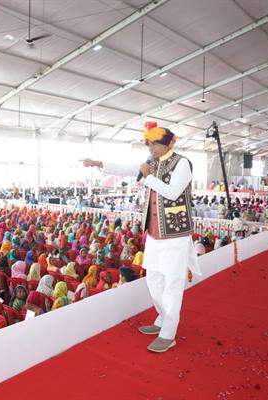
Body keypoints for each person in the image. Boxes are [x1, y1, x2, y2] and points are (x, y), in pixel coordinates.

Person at [83, 121, 200, 353]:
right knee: (153, 279)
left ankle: (169, 332)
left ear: (167, 144)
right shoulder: (152, 163)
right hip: (154, 234)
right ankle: (164, 318)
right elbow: (128, 168)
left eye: (154, 143)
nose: (150, 148)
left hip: (175, 234)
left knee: (172, 283)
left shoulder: (183, 163)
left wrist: (147, 178)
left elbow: (173, 191)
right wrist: (99, 163)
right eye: (149, 144)